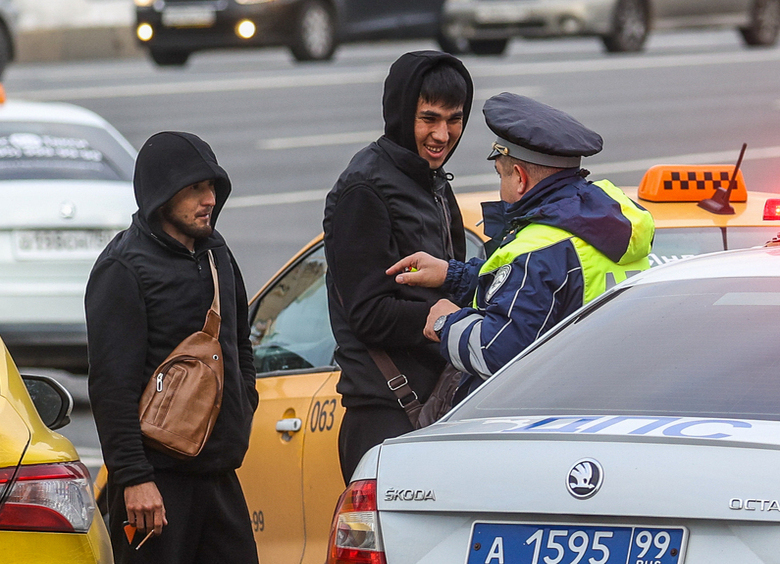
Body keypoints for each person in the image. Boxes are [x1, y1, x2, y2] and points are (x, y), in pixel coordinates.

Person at [388, 93, 655, 393]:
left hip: (549, 414)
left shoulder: (538, 251)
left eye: (500, 174)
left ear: (519, 177)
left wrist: (446, 323)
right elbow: (548, 294)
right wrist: (454, 274)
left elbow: (495, 352)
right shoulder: (604, 224)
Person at [85, 131, 259, 564]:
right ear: (162, 194)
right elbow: (111, 389)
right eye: (195, 188)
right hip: (155, 489)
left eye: (213, 187)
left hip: (220, 480)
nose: (210, 200)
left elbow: (240, 343)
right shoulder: (122, 268)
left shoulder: (218, 251)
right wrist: (134, 479)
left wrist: (244, 403)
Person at [323, 50, 474, 483]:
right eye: (429, 118)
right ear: (401, 112)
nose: (442, 134)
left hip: (439, 404)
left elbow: (451, 285)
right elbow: (367, 313)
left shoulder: (434, 184)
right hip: (385, 414)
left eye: (454, 119)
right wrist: (435, 320)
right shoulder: (365, 189)